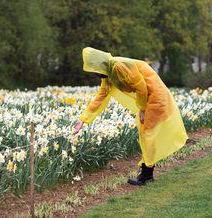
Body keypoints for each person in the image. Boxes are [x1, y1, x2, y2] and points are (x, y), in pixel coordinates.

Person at [73, 47, 188, 186]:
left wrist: (142, 108)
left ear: (100, 64)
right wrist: (82, 120)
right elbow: (101, 97)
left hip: (155, 95)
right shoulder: (108, 74)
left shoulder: (119, 66)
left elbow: (141, 87)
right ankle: (147, 172)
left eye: (95, 70)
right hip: (148, 96)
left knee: (148, 132)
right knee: (145, 132)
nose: (95, 74)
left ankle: (146, 175)